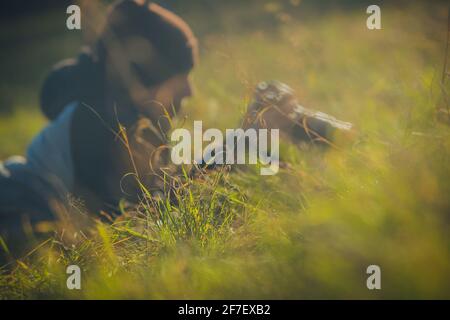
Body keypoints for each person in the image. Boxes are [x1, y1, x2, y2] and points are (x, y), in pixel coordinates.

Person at [0, 0, 352, 255]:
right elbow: (149, 216)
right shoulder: (98, 122)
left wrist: (248, 138)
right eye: (179, 74)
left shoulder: (129, 117)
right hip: (14, 211)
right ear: (145, 78)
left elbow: (169, 184)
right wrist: (246, 141)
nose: (189, 90)